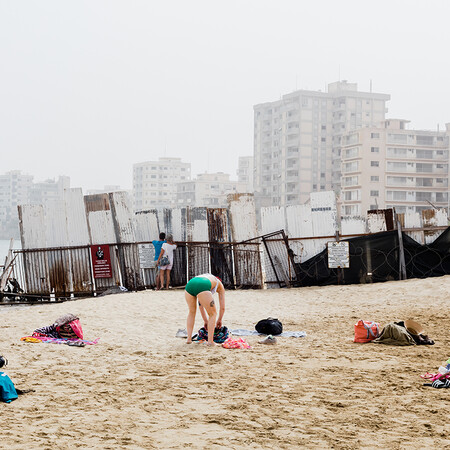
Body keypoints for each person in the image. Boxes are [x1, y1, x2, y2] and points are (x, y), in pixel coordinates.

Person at [184, 273, 225, 346]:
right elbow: (222, 307)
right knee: (213, 314)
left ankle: (189, 339)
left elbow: (201, 304)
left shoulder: (209, 277)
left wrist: (206, 321)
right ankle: (210, 342)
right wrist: (219, 320)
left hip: (190, 283)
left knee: (191, 312)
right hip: (203, 284)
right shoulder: (220, 285)